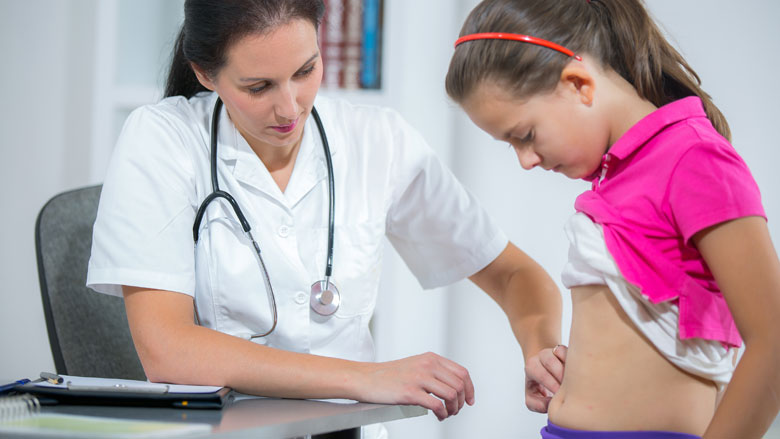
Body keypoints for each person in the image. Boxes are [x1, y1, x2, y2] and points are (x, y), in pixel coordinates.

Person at [86, 1, 564, 437]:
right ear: (206, 74)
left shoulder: (376, 140)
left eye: (306, 70)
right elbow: (168, 350)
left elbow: (515, 274)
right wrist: (366, 378)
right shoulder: (164, 139)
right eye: (259, 87)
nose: (289, 107)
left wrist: (542, 353)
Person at [446, 0, 780, 438]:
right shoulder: (617, 176)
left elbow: (774, 341)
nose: (525, 160)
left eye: (524, 136)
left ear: (579, 84)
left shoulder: (695, 159)